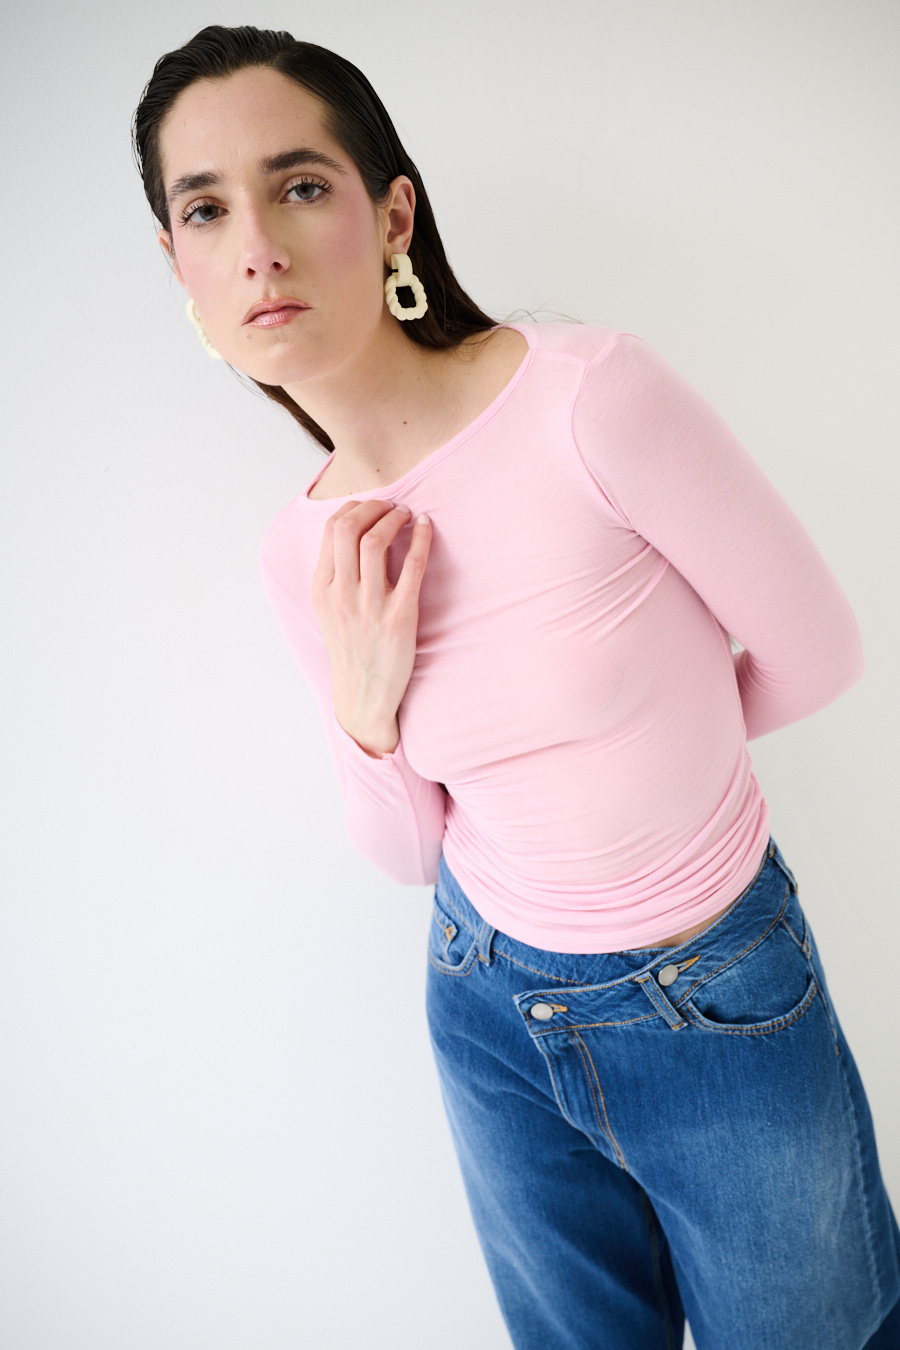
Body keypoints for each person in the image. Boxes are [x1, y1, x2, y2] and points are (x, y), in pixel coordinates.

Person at [132, 24, 900, 1349]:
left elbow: (818, 648)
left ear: (393, 215)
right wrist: (368, 707)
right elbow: (413, 853)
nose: (256, 243)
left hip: (713, 992)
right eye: (206, 209)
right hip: (486, 999)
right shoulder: (302, 552)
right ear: (180, 267)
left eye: (299, 184)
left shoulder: (589, 399)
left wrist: (650, 751)